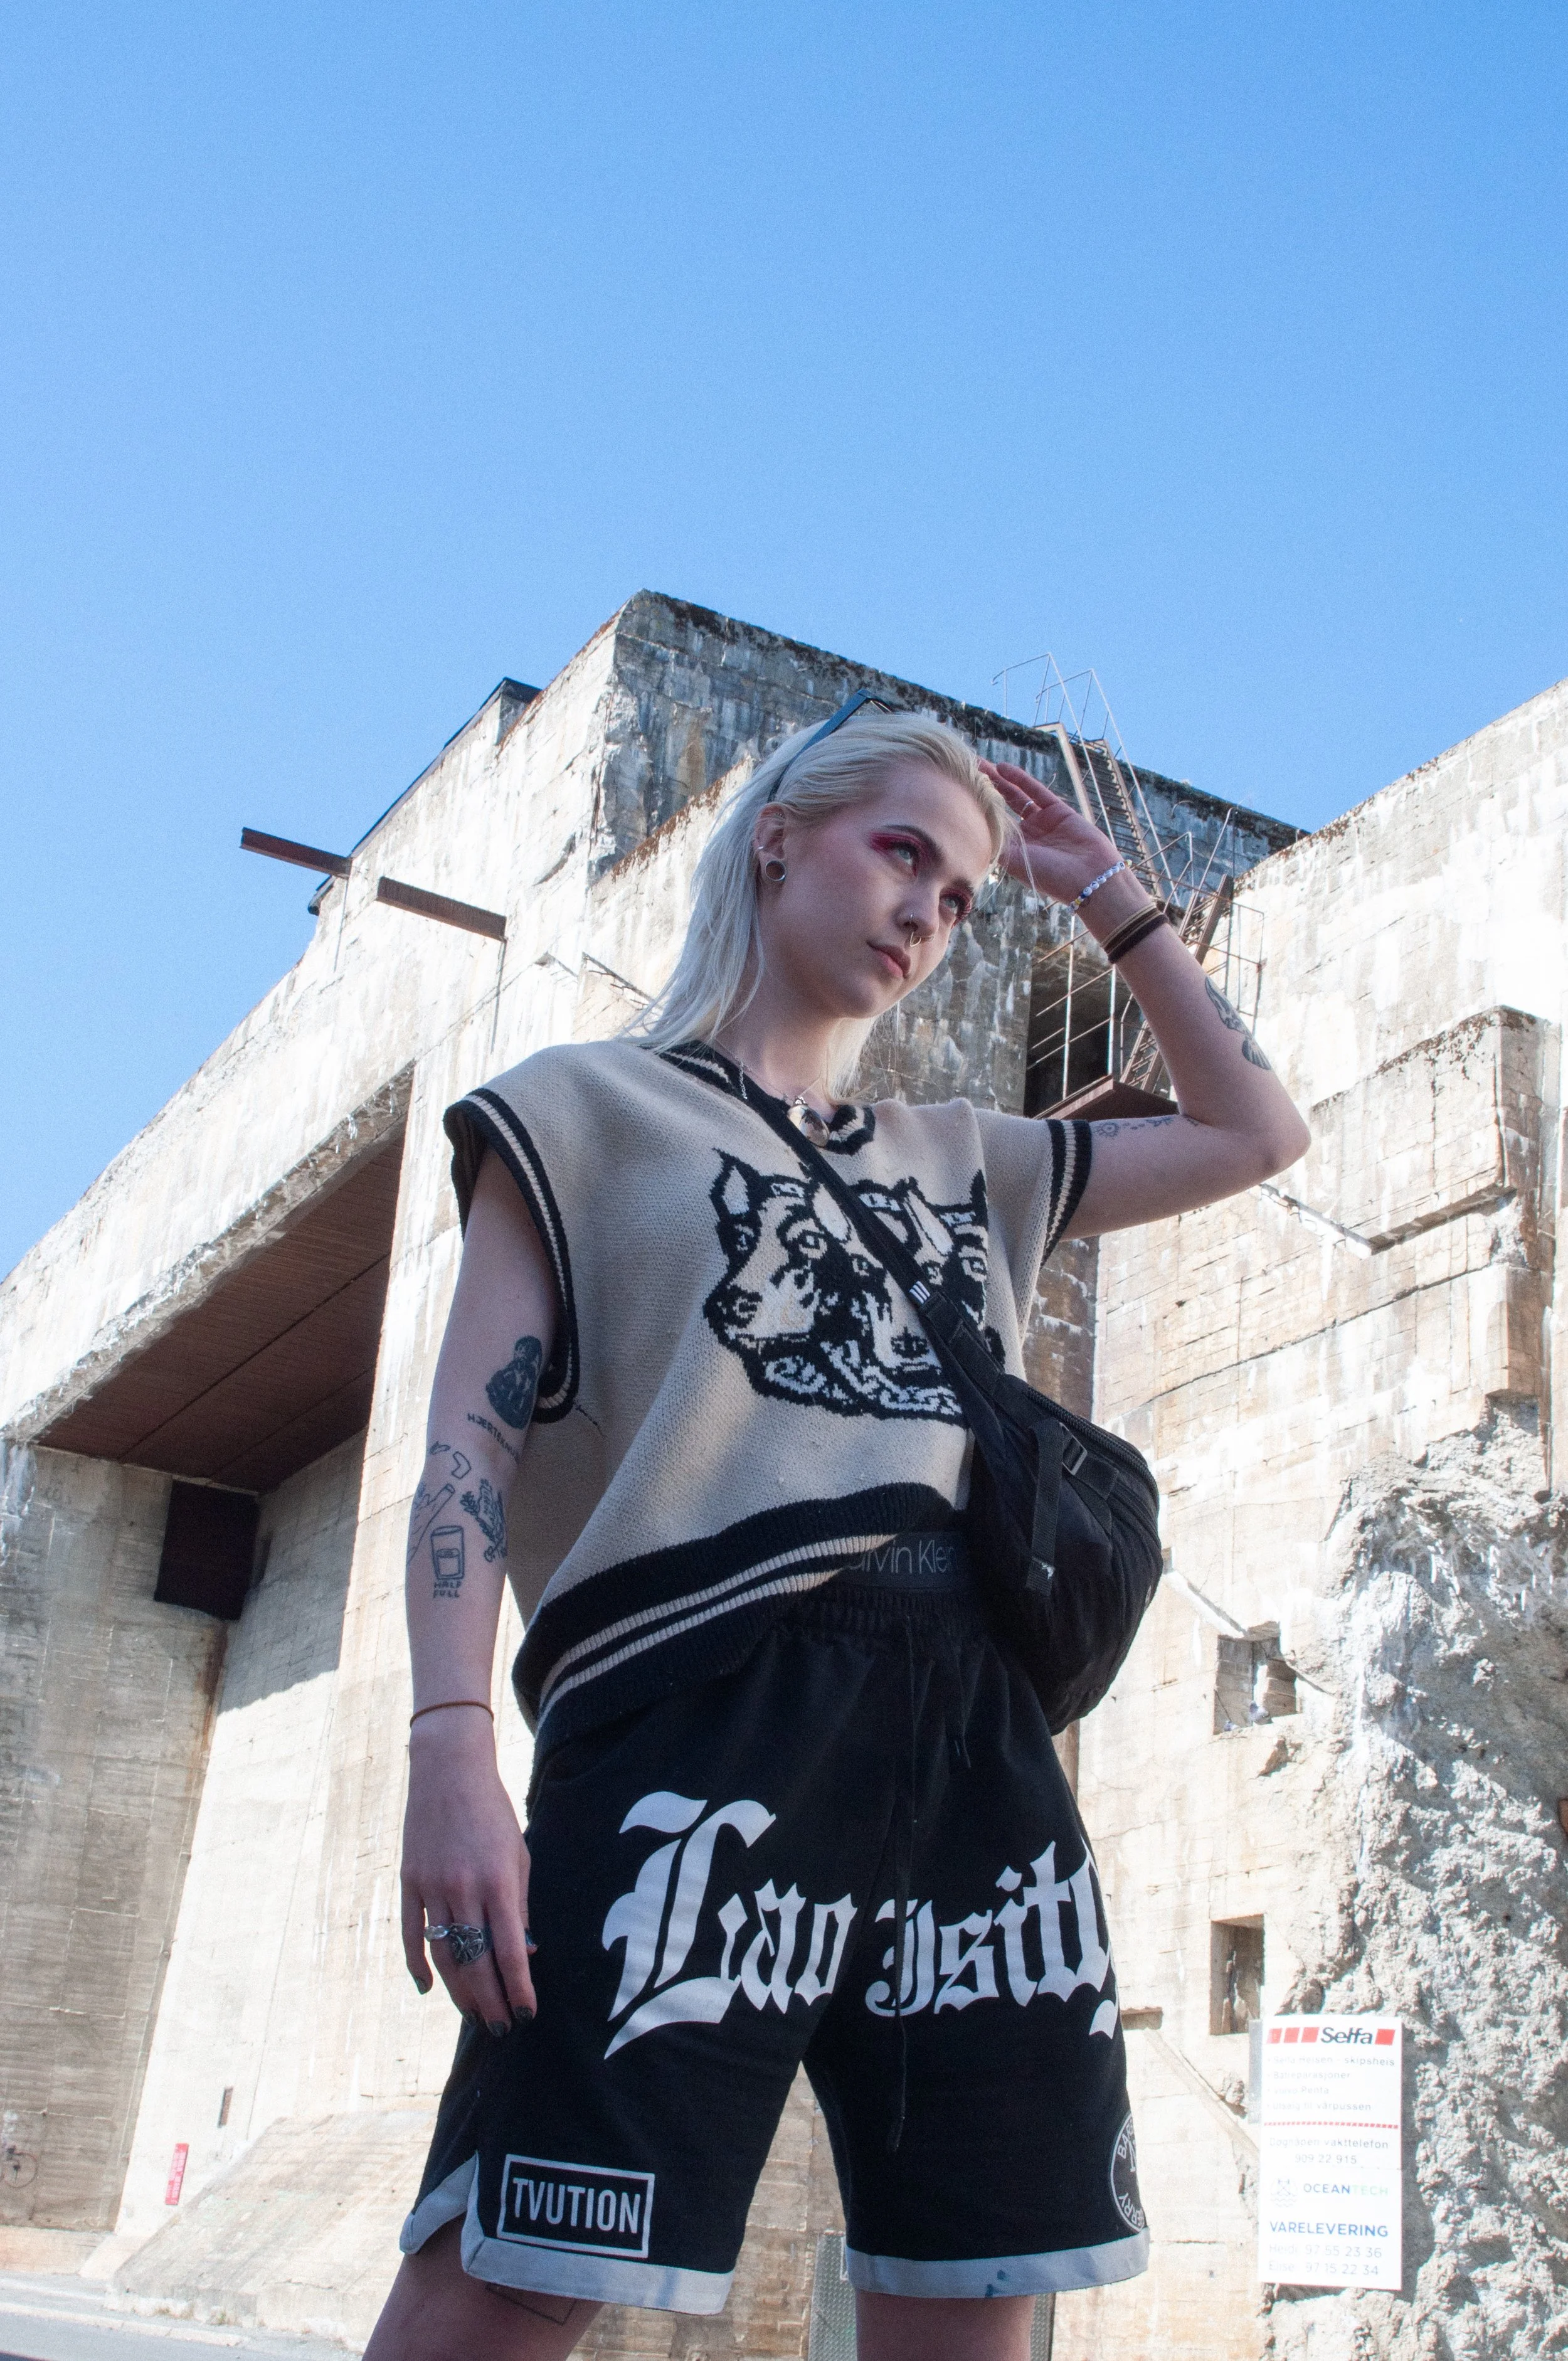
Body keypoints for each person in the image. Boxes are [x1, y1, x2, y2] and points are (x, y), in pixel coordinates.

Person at [364, 698, 1310, 2361]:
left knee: (973, 2296)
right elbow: (467, 1440)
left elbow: (1253, 1134)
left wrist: (1104, 895)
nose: (926, 919)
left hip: (977, 1741)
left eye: (957, 900)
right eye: (902, 857)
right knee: (517, 2272)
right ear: (778, 835)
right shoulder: (578, 1112)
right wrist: (451, 1739)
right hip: (697, 1703)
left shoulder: (966, 1159)